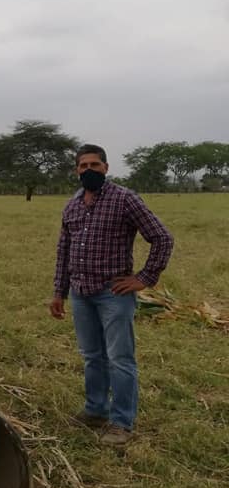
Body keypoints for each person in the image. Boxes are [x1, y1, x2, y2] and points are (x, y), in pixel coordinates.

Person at [50, 144, 174, 447]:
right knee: (92, 356)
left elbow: (162, 238)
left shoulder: (124, 199)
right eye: (83, 166)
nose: (88, 170)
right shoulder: (72, 205)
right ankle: (95, 410)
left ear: (106, 168)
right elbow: (64, 251)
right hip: (80, 293)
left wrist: (143, 278)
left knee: (120, 359)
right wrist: (59, 292)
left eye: (95, 165)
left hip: (113, 293)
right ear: (76, 170)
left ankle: (121, 423)